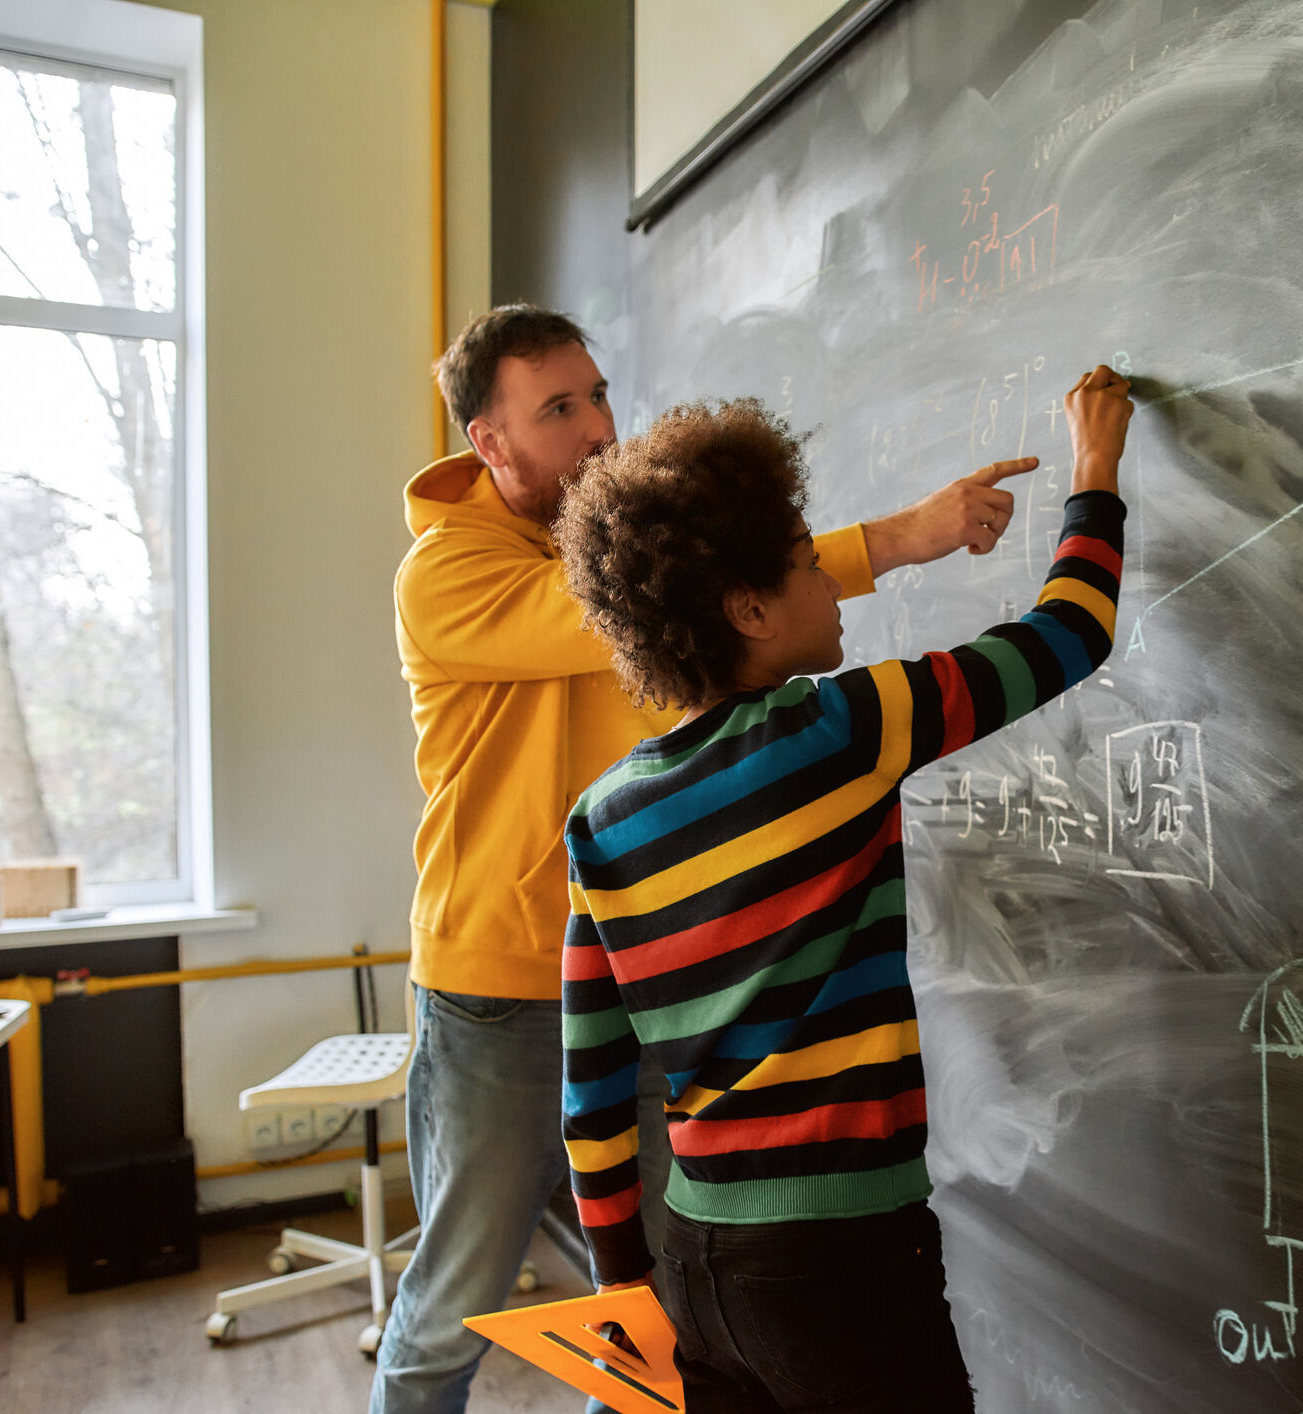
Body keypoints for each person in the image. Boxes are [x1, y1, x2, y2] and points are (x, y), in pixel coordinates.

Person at [379, 304, 1029, 1414]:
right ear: (489, 441)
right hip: (499, 988)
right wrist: (893, 539)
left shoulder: (613, 544)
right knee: (454, 1299)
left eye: (597, 394)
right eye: (558, 408)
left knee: (648, 1312)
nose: (598, 426)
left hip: (642, 982)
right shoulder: (445, 572)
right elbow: (597, 610)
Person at [554, 364, 1133, 1411]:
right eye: (804, 565)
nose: (829, 583)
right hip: (839, 1264)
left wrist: (623, 1286)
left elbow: (591, 1098)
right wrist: (1095, 466)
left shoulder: (602, 816)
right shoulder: (838, 729)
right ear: (748, 609)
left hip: (694, 1263)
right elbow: (1067, 635)